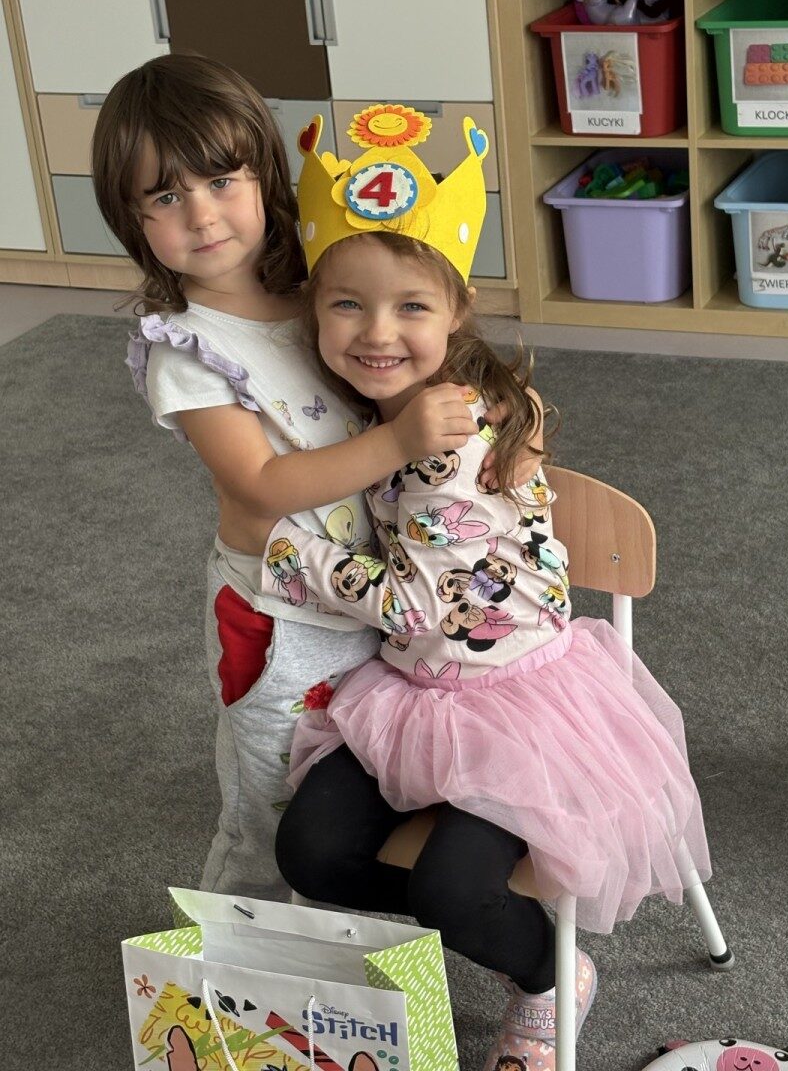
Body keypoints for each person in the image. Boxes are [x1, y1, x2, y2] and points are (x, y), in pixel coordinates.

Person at [264, 106, 713, 1071]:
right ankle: (479, 939)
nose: (376, 333)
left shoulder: (447, 443)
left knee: (450, 890)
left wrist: (296, 557)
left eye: (411, 308)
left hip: (518, 700)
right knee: (310, 853)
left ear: (457, 311)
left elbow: (419, 606)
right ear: (314, 310)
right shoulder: (401, 407)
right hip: (417, 686)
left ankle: (550, 974)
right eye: (347, 305)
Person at [91, 57, 526, 903]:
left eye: (222, 181)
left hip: (373, 593)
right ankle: (237, 953)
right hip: (278, 619)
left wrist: (501, 413)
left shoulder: (319, 290)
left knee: (364, 790)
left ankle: (362, 940)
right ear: (130, 217)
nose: (203, 214)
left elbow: (421, 338)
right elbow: (259, 484)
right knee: (268, 807)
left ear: (264, 176)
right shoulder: (188, 350)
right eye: (166, 196)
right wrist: (399, 440)